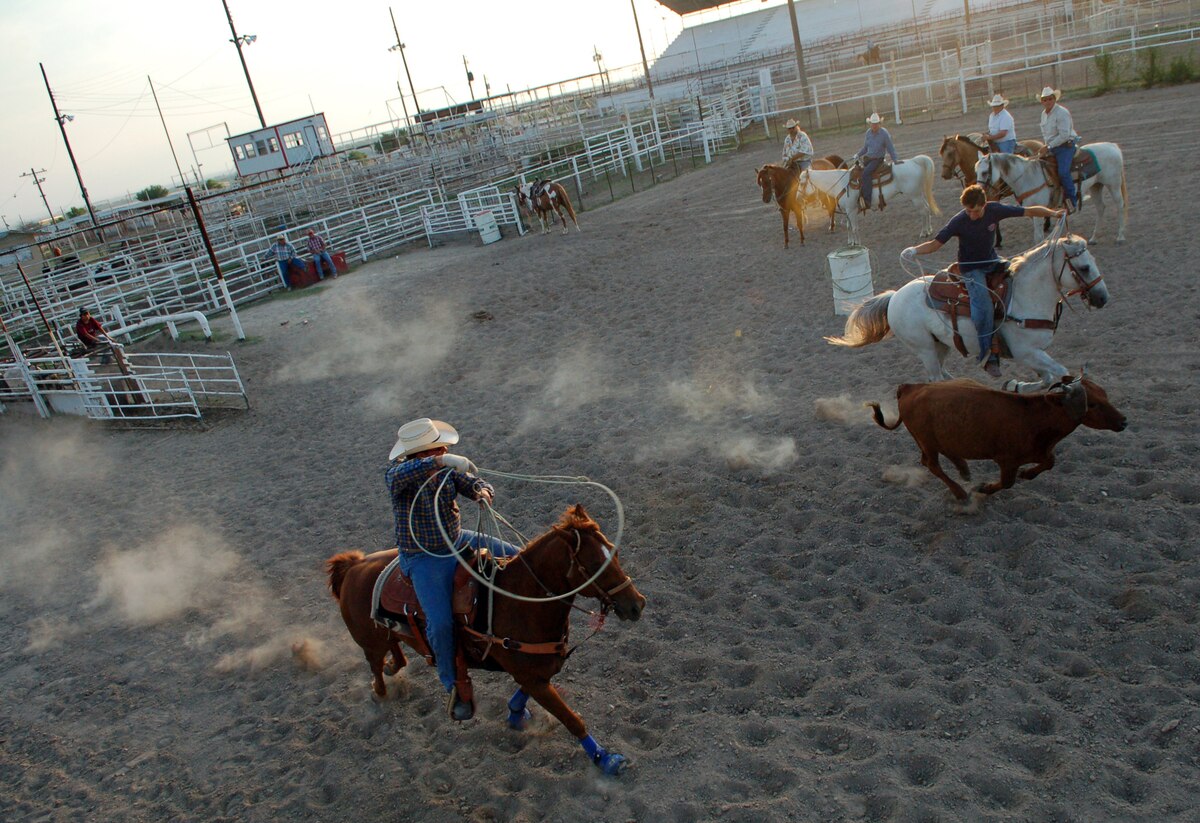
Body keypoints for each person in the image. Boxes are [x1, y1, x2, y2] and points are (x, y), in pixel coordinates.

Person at [385, 417, 519, 721]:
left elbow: (471, 482)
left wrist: (483, 492)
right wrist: (441, 460)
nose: (444, 451)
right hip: (423, 557)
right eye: (437, 448)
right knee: (441, 623)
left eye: (442, 448)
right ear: (419, 454)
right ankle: (451, 682)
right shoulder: (398, 476)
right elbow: (396, 476)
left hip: (456, 541)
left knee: (519, 558)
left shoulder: (443, 470)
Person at [902, 184, 1065, 378]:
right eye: (968, 210)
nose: (972, 214)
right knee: (983, 308)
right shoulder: (959, 221)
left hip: (993, 261)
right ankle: (989, 355)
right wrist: (914, 250)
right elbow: (935, 244)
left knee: (1020, 279)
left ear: (984, 204)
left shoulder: (995, 210)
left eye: (976, 211)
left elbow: (1028, 211)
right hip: (971, 270)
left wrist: (1054, 213)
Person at [1038, 87, 1080, 209]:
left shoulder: (1062, 112)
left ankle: (1072, 200)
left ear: (1054, 99)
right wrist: (1047, 146)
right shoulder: (1043, 114)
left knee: (1063, 172)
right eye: (1045, 100)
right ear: (1042, 101)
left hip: (1065, 146)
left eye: (1050, 99)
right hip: (1052, 147)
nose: (1048, 102)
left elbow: (1064, 135)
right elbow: (1046, 134)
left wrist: (1048, 146)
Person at [852, 113, 898, 210]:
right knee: (856, 171)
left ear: (879, 124)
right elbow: (865, 148)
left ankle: (867, 200)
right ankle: (860, 196)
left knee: (866, 173)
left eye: (876, 123)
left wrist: (895, 160)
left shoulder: (884, 134)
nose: (874, 125)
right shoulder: (868, 133)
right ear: (870, 124)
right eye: (873, 124)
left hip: (878, 160)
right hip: (868, 158)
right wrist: (858, 154)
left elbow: (890, 148)